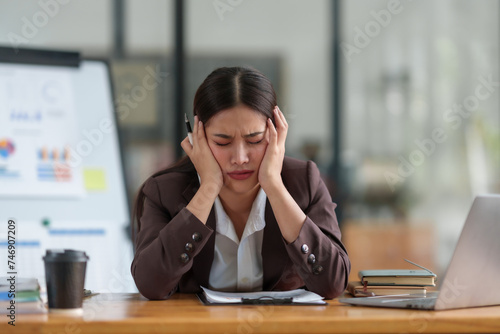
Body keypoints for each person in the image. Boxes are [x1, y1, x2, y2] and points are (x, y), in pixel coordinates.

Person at [131, 66, 350, 300]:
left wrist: (275, 187)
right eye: (222, 142)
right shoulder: (164, 191)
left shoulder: (303, 181)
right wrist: (208, 189)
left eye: (254, 140)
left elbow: (332, 284)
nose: (240, 158)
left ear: (275, 133)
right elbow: (151, 284)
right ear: (198, 138)